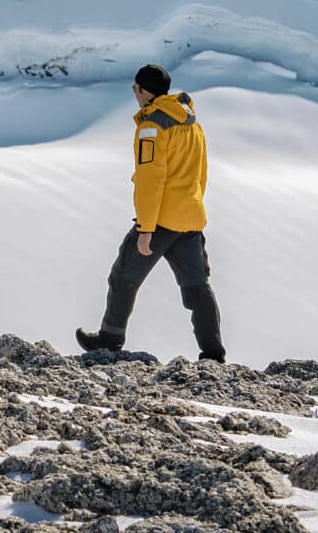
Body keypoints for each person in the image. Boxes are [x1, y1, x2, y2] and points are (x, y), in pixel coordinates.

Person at [75, 64, 225, 360]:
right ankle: (213, 353)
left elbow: (149, 179)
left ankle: (109, 338)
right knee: (197, 287)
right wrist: (192, 205)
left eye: (135, 89)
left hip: (160, 219)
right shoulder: (192, 122)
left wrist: (146, 228)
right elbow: (202, 171)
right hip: (190, 217)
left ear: (144, 91)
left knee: (124, 277)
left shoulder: (152, 127)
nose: (134, 94)